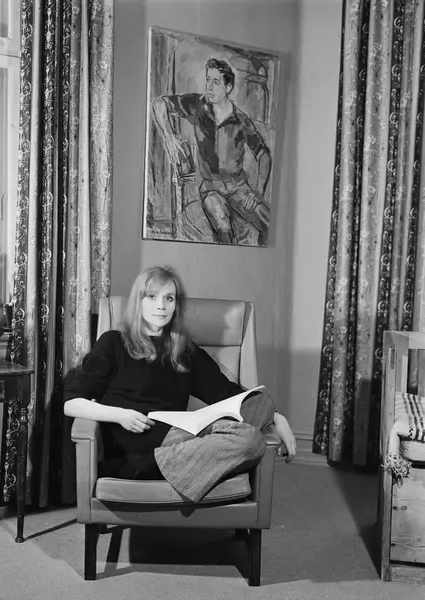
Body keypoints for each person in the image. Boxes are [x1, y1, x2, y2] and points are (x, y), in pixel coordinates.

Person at [63, 265, 296, 503]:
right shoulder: (113, 342)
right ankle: (179, 471)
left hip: (180, 439)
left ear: (176, 305)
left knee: (255, 424)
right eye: (151, 297)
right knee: (251, 442)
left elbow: (228, 394)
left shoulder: (184, 350)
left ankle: (176, 471)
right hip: (133, 447)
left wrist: (276, 417)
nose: (161, 306)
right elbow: (71, 402)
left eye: (169, 298)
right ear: (138, 301)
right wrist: (120, 415)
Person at [152, 58, 272, 246]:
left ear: (228, 87)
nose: (209, 87)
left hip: (239, 187)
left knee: (269, 223)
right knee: (222, 224)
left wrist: (258, 191)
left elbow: (264, 155)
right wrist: (168, 136)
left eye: (216, 82)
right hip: (211, 188)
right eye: (208, 80)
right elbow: (159, 103)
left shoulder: (241, 121)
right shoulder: (197, 105)